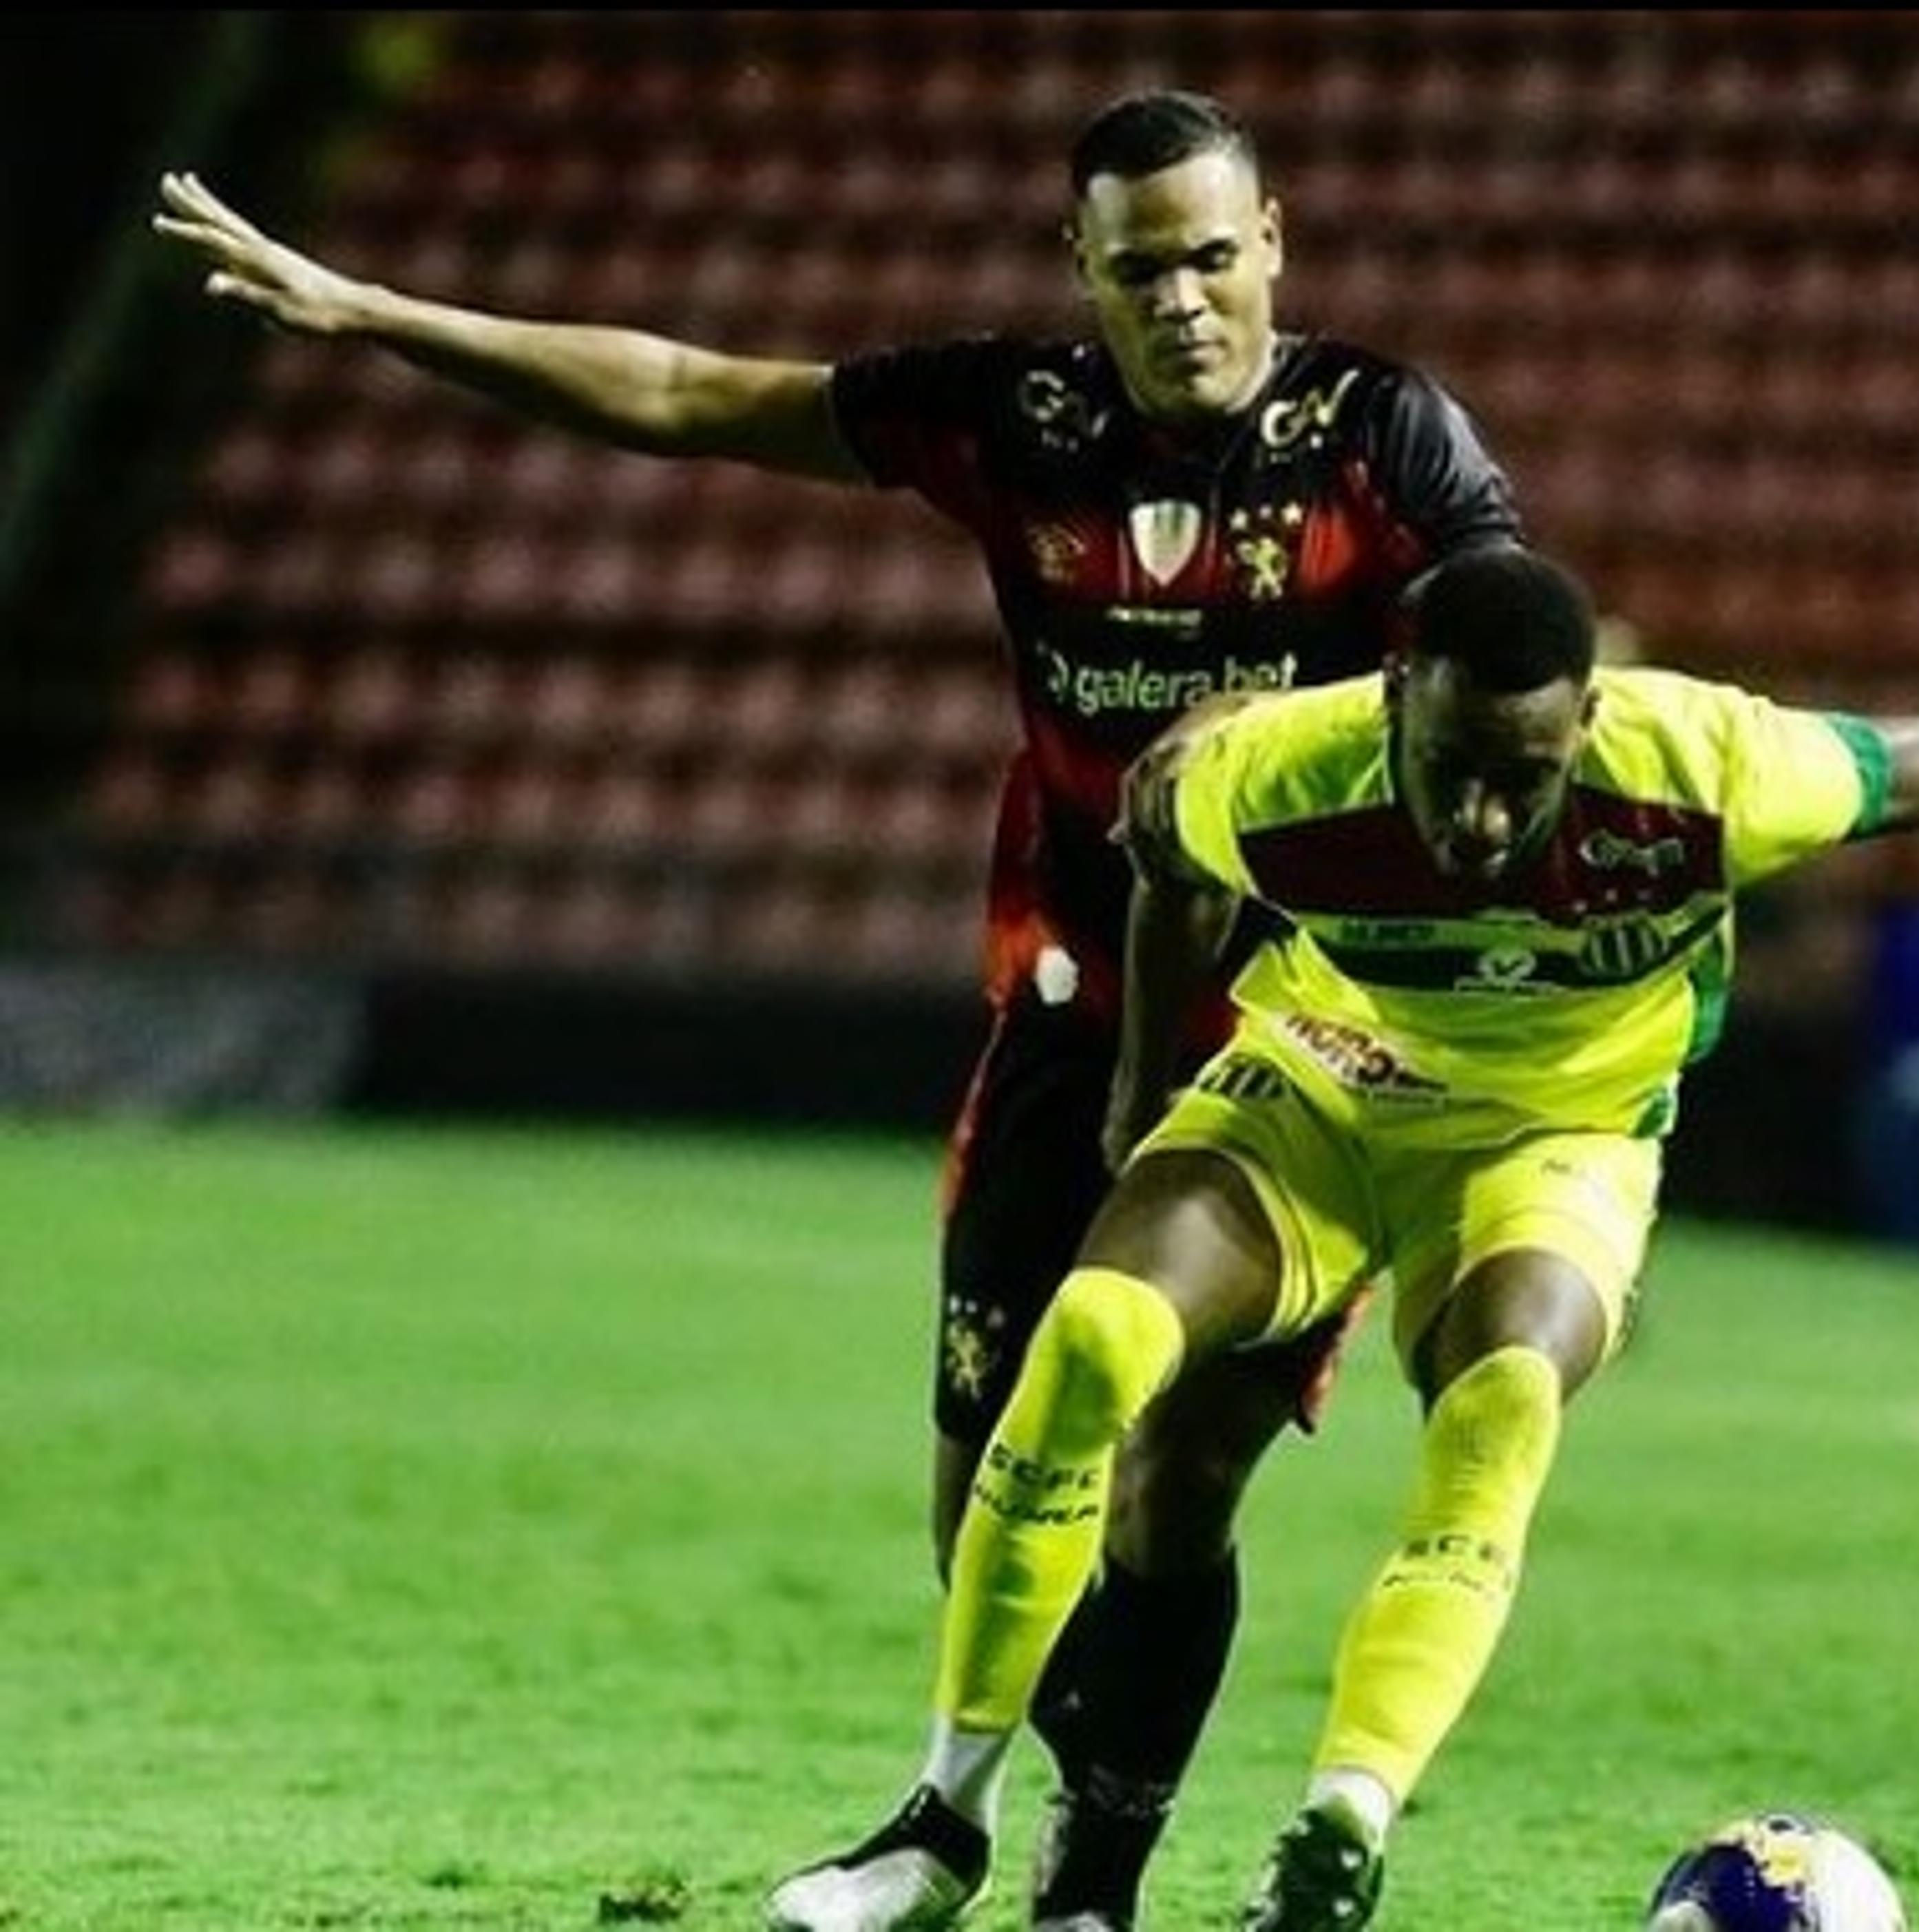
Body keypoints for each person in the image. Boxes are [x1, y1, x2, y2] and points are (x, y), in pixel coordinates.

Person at [152, 89, 1527, 1932]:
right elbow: (683, 394)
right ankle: (989, 1812)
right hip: (1073, 997)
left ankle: (1086, 1877)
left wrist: (1302, 761)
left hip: (1293, 1032)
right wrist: (381, 313)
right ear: (1082, 271)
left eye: (1214, 253)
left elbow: (1514, 653)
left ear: (1275, 233)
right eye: (1141, 267)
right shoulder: (1014, 418)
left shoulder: (1383, 437)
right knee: (982, 1498)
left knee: (1176, 1466)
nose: (1184, 297)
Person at [839, 543, 1919, 1932]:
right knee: (1099, 1335)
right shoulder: (1278, 767)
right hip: (1325, 1084)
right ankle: (946, 1814)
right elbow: (1170, 865)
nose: (1478, 811)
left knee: (1509, 1392)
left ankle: (1347, 1816)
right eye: (1450, 758)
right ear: (1395, 698)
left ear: (1586, 724)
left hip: (1561, 1138)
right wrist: (1145, 1093)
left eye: (1521, 774)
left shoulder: (1711, 765)